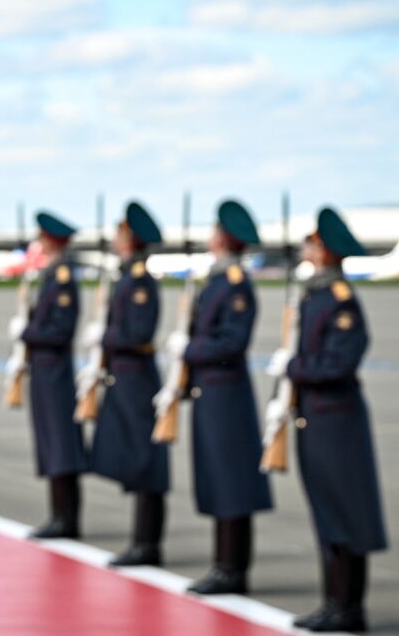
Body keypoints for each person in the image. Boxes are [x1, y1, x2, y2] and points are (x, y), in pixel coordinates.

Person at [273, 208, 387, 631]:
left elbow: (337, 363)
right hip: (316, 417)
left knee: (345, 512)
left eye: (311, 242)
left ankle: (348, 606)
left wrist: (293, 367)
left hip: (335, 419)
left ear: (323, 250)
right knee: (327, 511)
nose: (305, 248)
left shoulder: (339, 300)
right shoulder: (315, 294)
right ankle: (333, 601)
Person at [170, 200, 273, 595]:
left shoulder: (234, 284)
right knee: (218, 477)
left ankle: (232, 568)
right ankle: (224, 564)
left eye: (216, 232)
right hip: (211, 392)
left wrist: (189, 349)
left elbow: (231, 342)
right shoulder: (216, 281)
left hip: (225, 394)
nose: (210, 238)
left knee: (231, 482)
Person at [86, 202, 169, 566]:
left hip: (137, 378)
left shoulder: (139, 283)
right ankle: (141, 540)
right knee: (135, 459)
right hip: (125, 376)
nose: (117, 240)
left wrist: (105, 337)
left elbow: (137, 333)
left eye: (122, 234)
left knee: (146, 461)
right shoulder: (126, 277)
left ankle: (147, 543)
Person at [15, 212, 89, 539]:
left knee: (61, 445)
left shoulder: (61, 279)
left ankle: (66, 518)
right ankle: (59, 514)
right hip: (45, 370)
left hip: (55, 371)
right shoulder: (51, 275)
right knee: (51, 442)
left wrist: (27, 332)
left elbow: (60, 331)